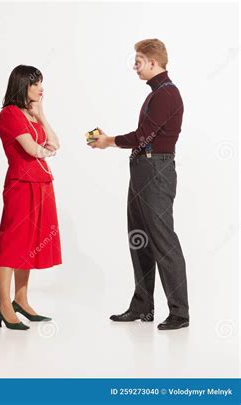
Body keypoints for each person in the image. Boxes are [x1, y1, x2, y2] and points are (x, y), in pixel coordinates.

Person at [88, 38, 189, 330]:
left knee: (163, 240)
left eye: (139, 61)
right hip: (144, 169)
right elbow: (145, 137)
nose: (134, 66)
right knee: (139, 238)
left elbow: (142, 136)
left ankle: (180, 312)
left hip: (156, 171)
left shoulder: (167, 94)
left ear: (153, 62)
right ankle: (143, 306)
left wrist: (108, 142)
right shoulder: (156, 93)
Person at [0, 65, 62, 330]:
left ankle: (21, 300)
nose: (40, 88)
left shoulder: (32, 114)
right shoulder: (9, 114)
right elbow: (33, 148)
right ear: (23, 85)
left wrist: (42, 115)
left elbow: (54, 142)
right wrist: (45, 150)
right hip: (21, 183)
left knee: (29, 243)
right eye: (35, 83)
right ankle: (4, 305)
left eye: (41, 83)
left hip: (42, 182)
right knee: (12, 242)